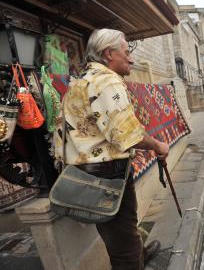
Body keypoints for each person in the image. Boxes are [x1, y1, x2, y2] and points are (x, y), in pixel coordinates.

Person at [54, 28, 169, 269]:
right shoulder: (107, 81)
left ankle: (138, 255)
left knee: (119, 230)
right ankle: (134, 259)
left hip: (88, 172)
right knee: (122, 244)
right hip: (107, 174)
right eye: (126, 52)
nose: (132, 58)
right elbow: (127, 134)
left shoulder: (80, 81)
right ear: (109, 54)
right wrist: (158, 145)